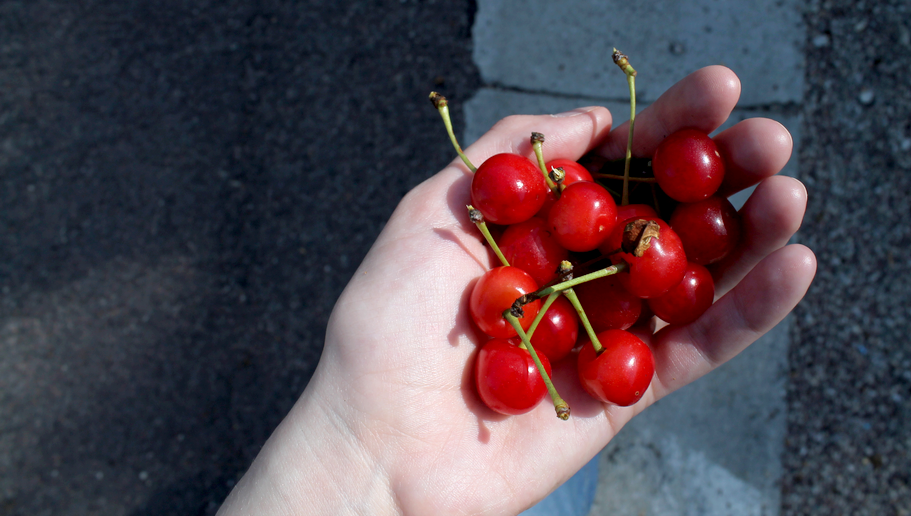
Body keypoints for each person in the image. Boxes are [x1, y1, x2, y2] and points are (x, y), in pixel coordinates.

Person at [216, 65, 816, 516]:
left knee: (564, 485)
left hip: (546, 395)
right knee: (565, 489)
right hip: (532, 412)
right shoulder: (551, 278)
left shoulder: (596, 271)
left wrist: (363, 472)